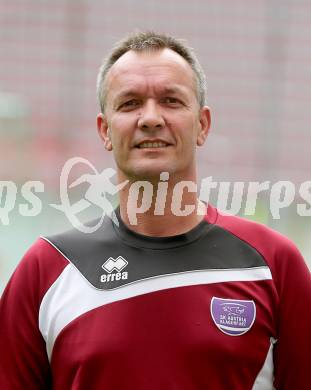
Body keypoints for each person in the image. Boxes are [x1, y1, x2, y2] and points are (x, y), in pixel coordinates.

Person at [0, 31, 310, 390]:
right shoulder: (47, 267)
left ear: (203, 125)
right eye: (130, 103)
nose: (150, 118)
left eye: (171, 101)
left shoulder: (273, 264)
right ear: (104, 130)